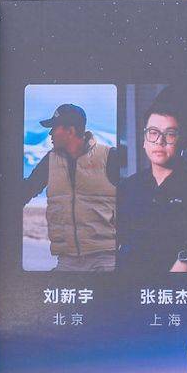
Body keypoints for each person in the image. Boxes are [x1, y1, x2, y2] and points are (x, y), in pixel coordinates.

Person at [119, 102, 187, 274]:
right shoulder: (128, 187)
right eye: (153, 132)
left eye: (169, 134)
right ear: (144, 140)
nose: (159, 141)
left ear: (182, 141)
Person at [21, 103, 119, 271]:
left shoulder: (109, 157)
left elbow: (132, 200)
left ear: (70, 131)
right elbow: (27, 190)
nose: (50, 133)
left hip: (105, 259)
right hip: (67, 260)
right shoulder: (50, 160)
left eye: (54, 128)